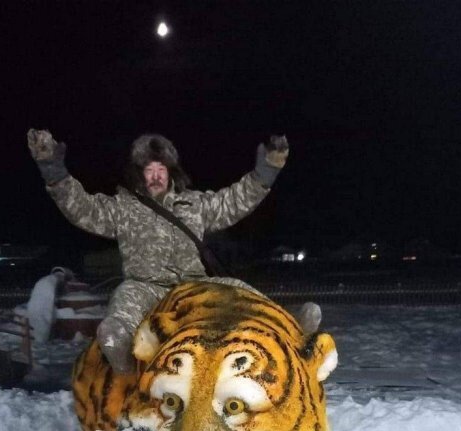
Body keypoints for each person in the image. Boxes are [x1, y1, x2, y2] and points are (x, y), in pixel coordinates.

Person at [27, 129, 289, 372]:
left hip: (193, 284)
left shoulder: (194, 204)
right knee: (120, 309)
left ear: (171, 172)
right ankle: (125, 369)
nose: (155, 176)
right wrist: (54, 172)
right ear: (139, 173)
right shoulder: (123, 208)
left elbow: (233, 201)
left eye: (161, 169)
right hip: (144, 286)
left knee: (241, 291)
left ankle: (289, 333)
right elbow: (82, 208)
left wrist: (266, 172)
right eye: (149, 169)